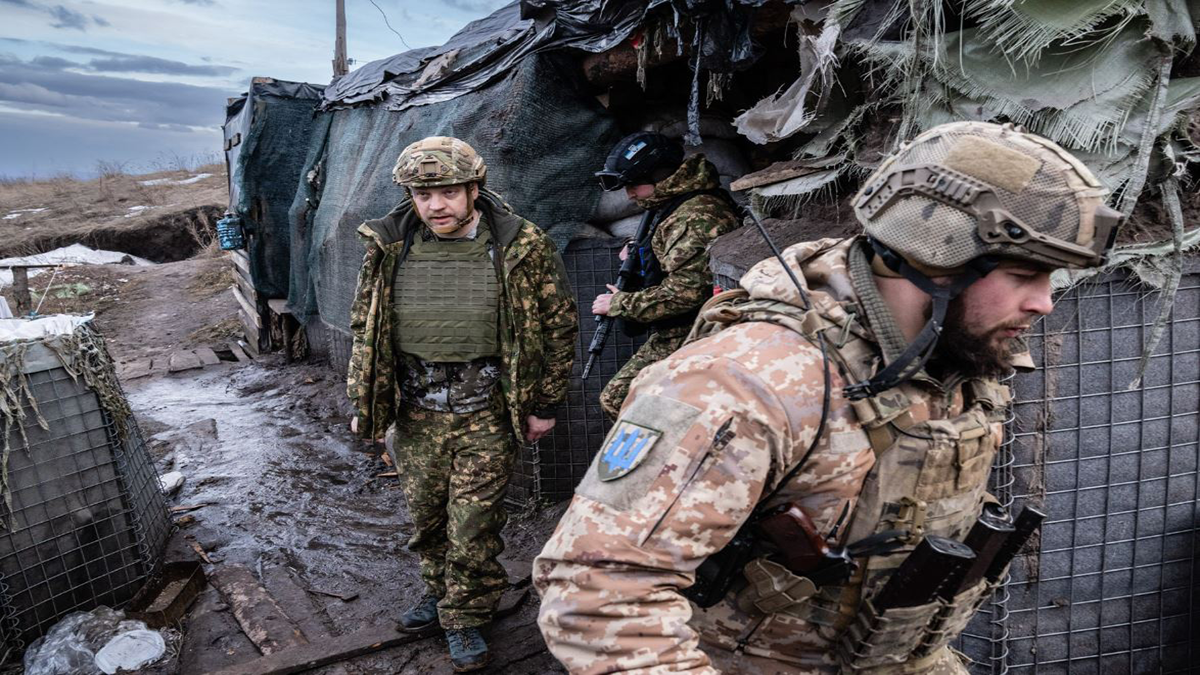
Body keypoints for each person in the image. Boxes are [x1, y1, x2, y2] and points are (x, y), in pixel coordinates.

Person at [534, 122, 1120, 674]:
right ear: (935, 258)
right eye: (1023, 275)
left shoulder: (950, 352)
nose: (1044, 303)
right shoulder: (744, 381)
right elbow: (596, 593)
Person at [347, 136, 577, 672]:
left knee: (472, 522)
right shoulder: (388, 246)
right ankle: (440, 591)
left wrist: (543, 403)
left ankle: (466, 615)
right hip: (416, 412)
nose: (435, 206)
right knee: (427, 520)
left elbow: (558, 326)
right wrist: (367, 400)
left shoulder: (521, 243)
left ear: (475, 188)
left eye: (448, 191)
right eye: (422, 194)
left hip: (487, 412)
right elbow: (366, 326)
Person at [591, 131, 740, 420]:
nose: (629, 194)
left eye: (634, 184)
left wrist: (621, 304)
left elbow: (686, 293)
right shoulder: (672, 206)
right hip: (683, 327)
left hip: (697, 330)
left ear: (658, 177)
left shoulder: (693, 216)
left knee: (621, 399)